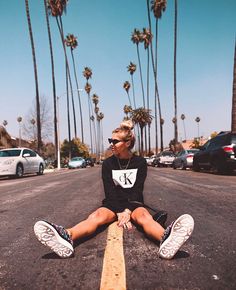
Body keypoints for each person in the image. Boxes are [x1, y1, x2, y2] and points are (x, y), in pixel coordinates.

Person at [34, 120, 194, 260]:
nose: (111, 144)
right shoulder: (108, 164)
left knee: (145, 217)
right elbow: (109, 191)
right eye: (110, 140)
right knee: (96, 216)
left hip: (134, 203)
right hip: (112, 204)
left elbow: (137, 190)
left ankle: (165, 239)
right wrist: (119, 211)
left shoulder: (139, 163)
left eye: (115, 141)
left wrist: (128, 211)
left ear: (127, 143)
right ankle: (67, 236)